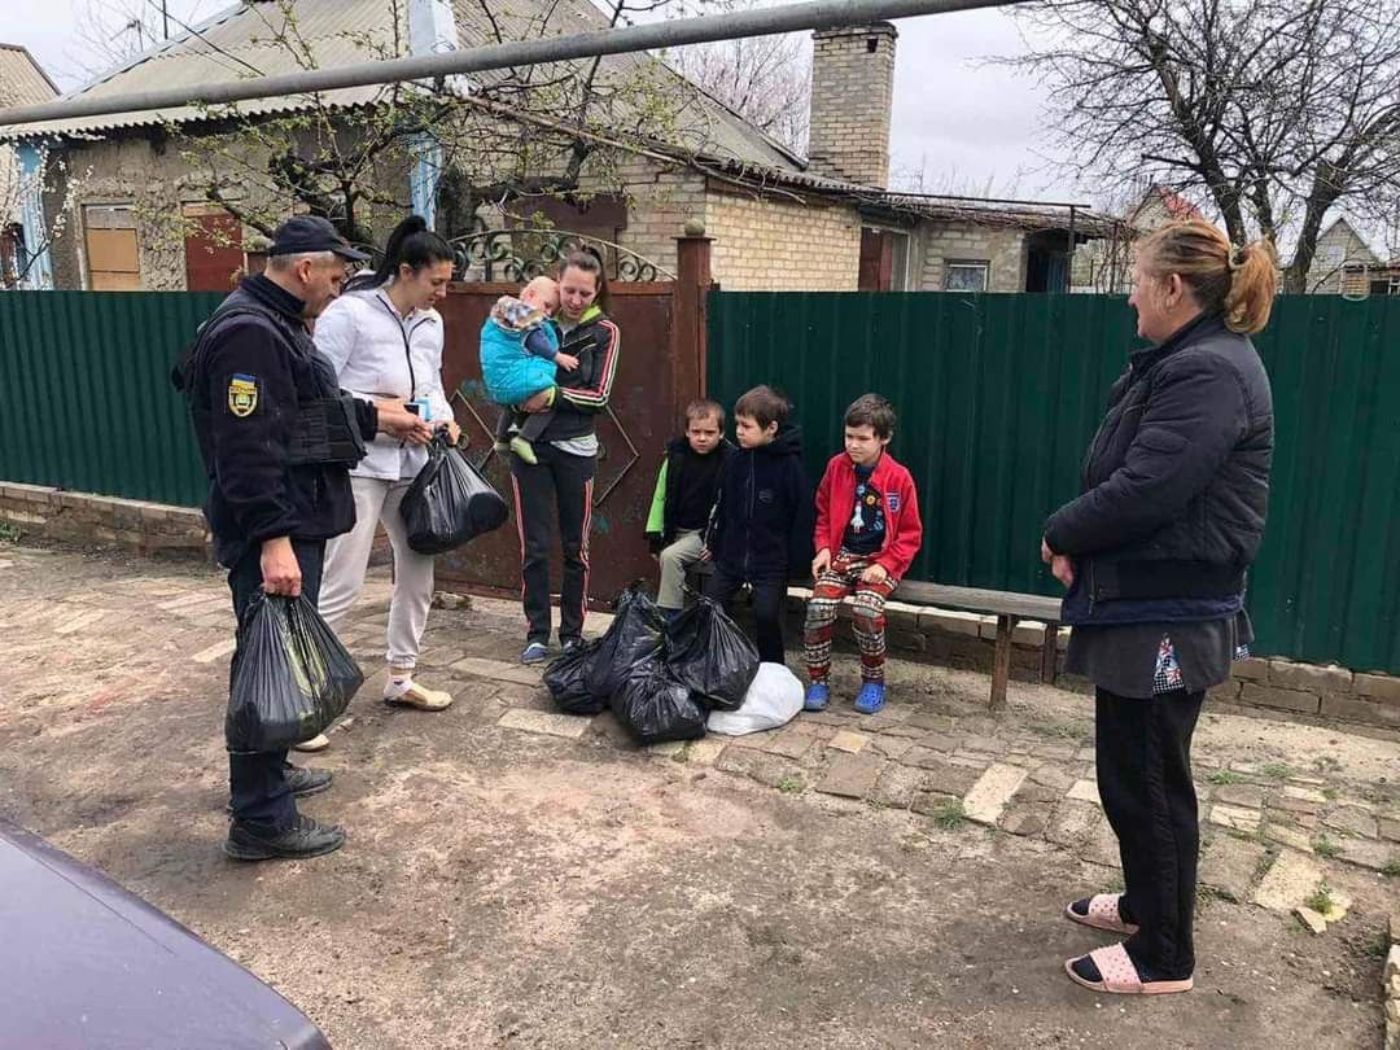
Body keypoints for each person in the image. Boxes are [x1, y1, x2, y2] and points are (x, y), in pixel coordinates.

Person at [1042, 219, 1275, 995]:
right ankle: (1147, 905)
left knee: (1148, 778)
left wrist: (1062, 530)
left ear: (1174, 288)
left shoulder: (1208, 371)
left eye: (1139, 280)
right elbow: (1139, 477)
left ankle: (1165, 955)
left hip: (1170, 609)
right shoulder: (1188, 360)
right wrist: (1085, 540)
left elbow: (1147, 489)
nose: (1131, 296)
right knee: (1129, 770)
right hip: (1145, 600)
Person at [182, 215, 433, 861]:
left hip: (293, 518)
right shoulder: (250, 335)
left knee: (277, 653)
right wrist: (272, 540)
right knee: (265, 657)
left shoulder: (273, 324)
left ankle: (271, 777)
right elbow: (247, 448)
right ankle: (261, 819)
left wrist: (378, 416)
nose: (340, 285)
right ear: (304, 270)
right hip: (277, 526)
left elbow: (299, 413)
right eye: (335, 274)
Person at [310, 215, 463, 752]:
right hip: (360, 464)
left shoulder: (430, 323)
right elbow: (321, 394)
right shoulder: (349, 314)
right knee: (342, 581)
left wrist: (444, 416)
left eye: (447, 283)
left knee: (419, 573)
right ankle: (306, 698)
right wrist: (386, 415)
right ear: (405, 271)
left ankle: (401, 677)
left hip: (415, 463)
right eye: (436, 282)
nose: (443, 293)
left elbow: (433, 383)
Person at [511, 250, 620, 664]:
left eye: (584, 293)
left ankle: (572, 632)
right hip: (530, 449)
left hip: (576, 450)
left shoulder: (605, 331)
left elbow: (600, 396)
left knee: (577, 547)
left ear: (597, 292)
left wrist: (552, 396)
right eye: (569, 290)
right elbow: (507, 373)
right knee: (534, 546)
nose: (575, 299)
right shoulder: (533, 321)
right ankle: (536, 633)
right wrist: (524, 398)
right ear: (557, 282)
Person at [802, 394, 923, 716]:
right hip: (842, 556)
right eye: (848, 437)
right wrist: (823, 548)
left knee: (867, 611)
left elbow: (911, 534)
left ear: (884, 439)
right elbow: (824, 513)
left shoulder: (899, 478)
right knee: (819, 606)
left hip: (879, 563)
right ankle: (818, 680)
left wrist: (886, 565)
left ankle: (874, 680)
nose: (853, 445)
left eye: (863, 439)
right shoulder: (836, 467)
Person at [703, 385, 811, 665]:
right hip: (732, 557)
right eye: (737, 424)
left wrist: (797, 562)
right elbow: (721, 504)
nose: (739, 431)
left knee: (766, 615)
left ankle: (772, 670)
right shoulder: (734, 461)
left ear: (771, 428)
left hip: (771, 562)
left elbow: (801, 516)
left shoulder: (789, 466)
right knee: (710, 605)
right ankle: (717, 663)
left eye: (746, 426)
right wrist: (714, 542)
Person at [645, 398, 733, 619]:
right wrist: (656, 535)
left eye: (709, 432)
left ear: (721, 433)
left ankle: (669, 621)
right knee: (667, 553)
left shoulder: (729, 460)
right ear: (687, 431)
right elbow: (660, 496)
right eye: (696, 432)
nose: (702, 438)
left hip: (703, 535)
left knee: (671, 557)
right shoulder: (676, 457)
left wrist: (715, 539)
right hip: (676, 530)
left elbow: (730, 505)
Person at [481, 275, 579, 465]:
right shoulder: (524, 316)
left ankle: (501, 439)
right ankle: (524, 439)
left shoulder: (503, 314)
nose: (548, 314)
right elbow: (536, 342)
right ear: (531, 295)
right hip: (510, 373)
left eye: (553, 311)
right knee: (551, 395)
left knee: (513, 402)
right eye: (548, 305)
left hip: (496, 380)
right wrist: (558, 357)